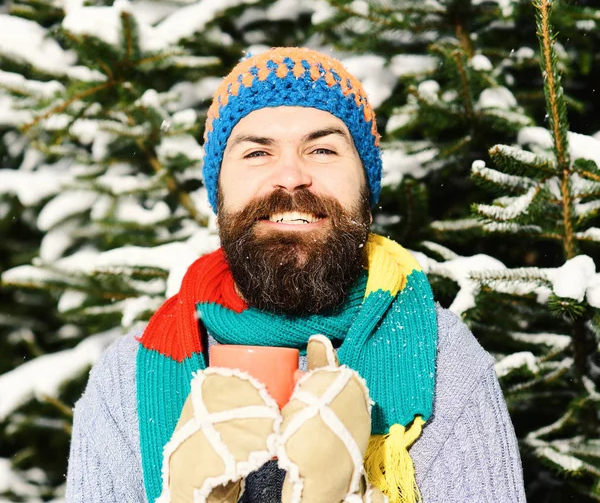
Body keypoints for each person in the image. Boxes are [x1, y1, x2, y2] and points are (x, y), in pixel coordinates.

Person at [65, 47, 526, 503]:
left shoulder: (443, 361)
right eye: (257, 153)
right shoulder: (125, 381)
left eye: (322, 149)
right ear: (217, 191)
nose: (290, 176)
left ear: (366, 187)